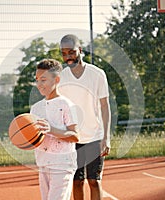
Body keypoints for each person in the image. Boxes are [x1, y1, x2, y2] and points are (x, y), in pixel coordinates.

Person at [58, 34, 111, 200]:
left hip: (95, 136)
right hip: (72, 138)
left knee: (94, 181)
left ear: (80, 50)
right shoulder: (61, 77)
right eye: (64, 53)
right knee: (76, 182)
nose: (68, 57)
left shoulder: (97, 74)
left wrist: (106, 137)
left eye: (71, 52)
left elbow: (105, 106)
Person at [30, 58, 80, 200]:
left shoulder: (66, 104)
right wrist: (25, 138)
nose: (39, 84)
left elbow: (75, 136)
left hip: (62, 163)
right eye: (37, 79)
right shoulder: (35, 108)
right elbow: (34, 138)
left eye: (43, 80)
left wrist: (51, 130)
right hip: (43, 162)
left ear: (56, 80)